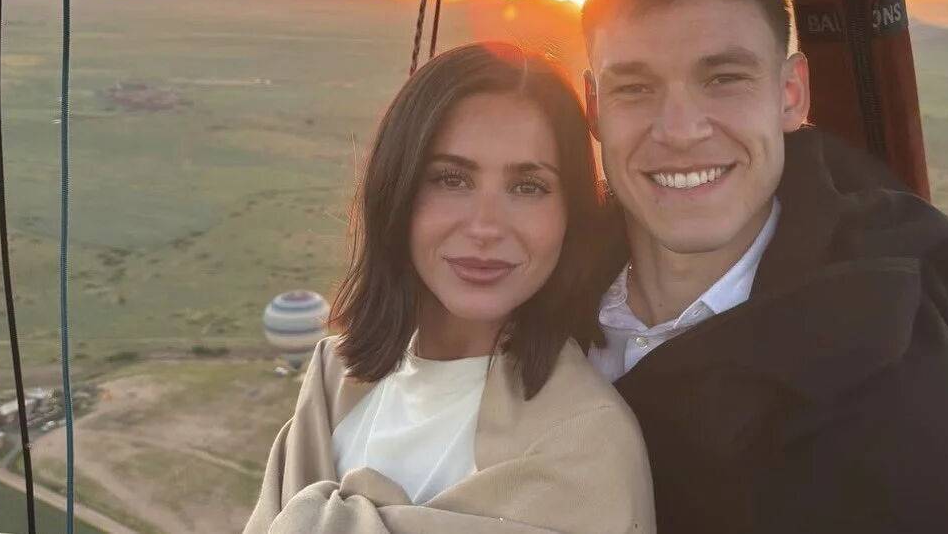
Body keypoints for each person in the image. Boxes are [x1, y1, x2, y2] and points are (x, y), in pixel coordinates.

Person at [580, 0, 948, 533]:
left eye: (724, 79)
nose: (679, 129)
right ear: (593, 105)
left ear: (791, 95)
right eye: (633, 88)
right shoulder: (534, 301)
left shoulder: (898, 386)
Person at [244, 42, 655, 534]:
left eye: (528, 187)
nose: (485, 227)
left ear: (571, 214)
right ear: (397, 191)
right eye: (452, 179)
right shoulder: (334, 381)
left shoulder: (585, 445)